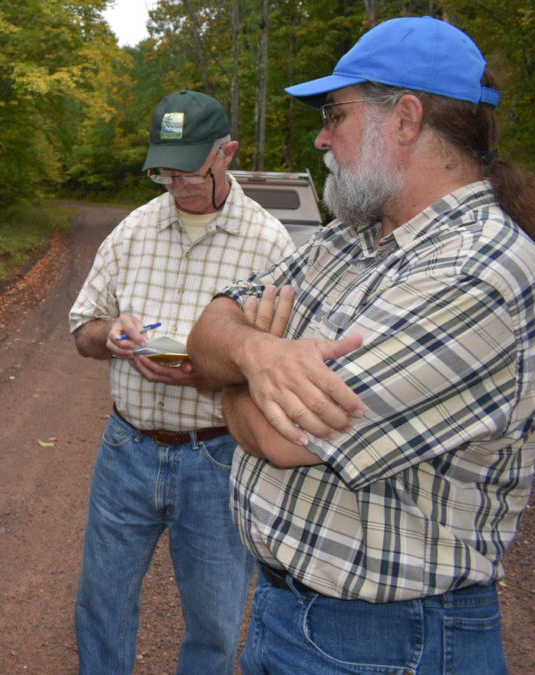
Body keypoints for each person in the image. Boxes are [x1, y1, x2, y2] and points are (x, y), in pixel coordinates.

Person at [186, 17, 535, 674]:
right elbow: (210, 327)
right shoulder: (350, 239)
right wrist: (259, 356)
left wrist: (230, 374)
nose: (321, 136)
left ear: (405, 119)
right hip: (291, 614)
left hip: (391, 642)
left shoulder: (480, 271)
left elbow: (285, 438)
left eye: (335, 114)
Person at [68, 90, 295, 674]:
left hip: (219, 457)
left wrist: (214, 375)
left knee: (216, 623)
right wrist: (109, 335)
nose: (176, 181)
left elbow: (281, 364)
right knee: (101, 604)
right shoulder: (132, 231)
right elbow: (82, 330)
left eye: (190, 166)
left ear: (228, 153)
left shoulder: (269, 244)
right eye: (166, 168)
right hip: (127, 449)